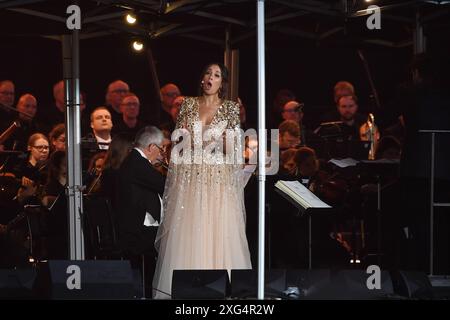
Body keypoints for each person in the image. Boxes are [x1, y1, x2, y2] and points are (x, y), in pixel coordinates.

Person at [152, 63, 252, 299]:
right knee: (190, 230)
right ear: (201, 79)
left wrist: (204, 140)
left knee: (219, 228)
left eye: (216, 75)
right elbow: (180, 144)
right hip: (192, 179)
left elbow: (233, 149)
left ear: (222, 83)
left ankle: (223, 291)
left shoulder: (230, 108)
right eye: (207, 73)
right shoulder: (187, 104)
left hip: (218, 179)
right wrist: (205, 141)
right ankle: (188, 291)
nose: (211, 78)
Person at [115, 126, 166, 298]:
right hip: (137, 232)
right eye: (161, 149)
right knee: (171, 240)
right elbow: (165, 185)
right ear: (152, 147)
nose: (161, 154)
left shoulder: (135, 161)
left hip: (139, 227)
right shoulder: (137, 162)